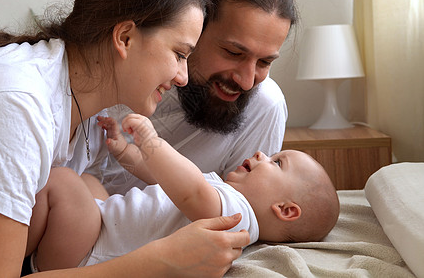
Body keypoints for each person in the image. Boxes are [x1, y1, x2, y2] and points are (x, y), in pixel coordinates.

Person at [0, 0, 250, 277]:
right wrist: (159, 261)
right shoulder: (16, 105)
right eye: (180, 54)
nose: (184, 77)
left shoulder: (92, 114)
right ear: (124, 37)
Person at [26, 114, 340, 272]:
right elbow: (165, 180)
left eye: (276, 162)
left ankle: (12, 253)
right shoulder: (223, 196)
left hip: (90, 256)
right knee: (90, 184)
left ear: (285, 209)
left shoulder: (237, 217)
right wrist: (126, 152)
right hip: (99, 236)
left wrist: (150, 141)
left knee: (63, 181)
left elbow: (189, 190)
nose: (261, 154)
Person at [102, 0, 299, 196]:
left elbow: (241, 211)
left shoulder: (264, 107)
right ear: (195, 29)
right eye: (233, 53)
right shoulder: (132, 65)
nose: (246, 81)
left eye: (265, 62)